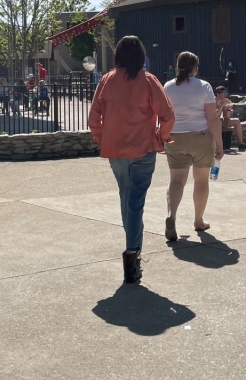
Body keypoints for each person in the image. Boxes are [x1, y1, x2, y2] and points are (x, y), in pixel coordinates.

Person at [88, 35, 175, 284]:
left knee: (126, 198)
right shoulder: (148, 81)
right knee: (135, 202)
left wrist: (103, 138)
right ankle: (132, 254)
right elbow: (168, 115)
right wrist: (161, 137)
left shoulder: (107, 80)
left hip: (115, 150)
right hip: (143, 149)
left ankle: (132, 251)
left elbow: (94, 118)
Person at [163, 51, 223, 238]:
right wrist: (220, 144)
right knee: (201, 180)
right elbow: (212, 118)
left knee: (176, 180)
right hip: (201, 137)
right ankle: (198, 220)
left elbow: (164, 114)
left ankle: (171, 215)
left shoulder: (168, 86)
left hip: (176, 138)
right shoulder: (204, 86)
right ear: (195, 67)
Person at [215, 86, 246, 151]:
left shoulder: (224, 101)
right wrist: (221, 105)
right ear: (218, 94)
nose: (225, 96)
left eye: (226, 94)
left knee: (236, 121)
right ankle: (218, 146)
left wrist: (228, 109)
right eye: (223, 94)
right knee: (219, 121)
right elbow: (215, 116)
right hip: (212, 121)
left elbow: (226, 117)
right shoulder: (212, 101)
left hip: (220, 121)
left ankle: (241, 144)